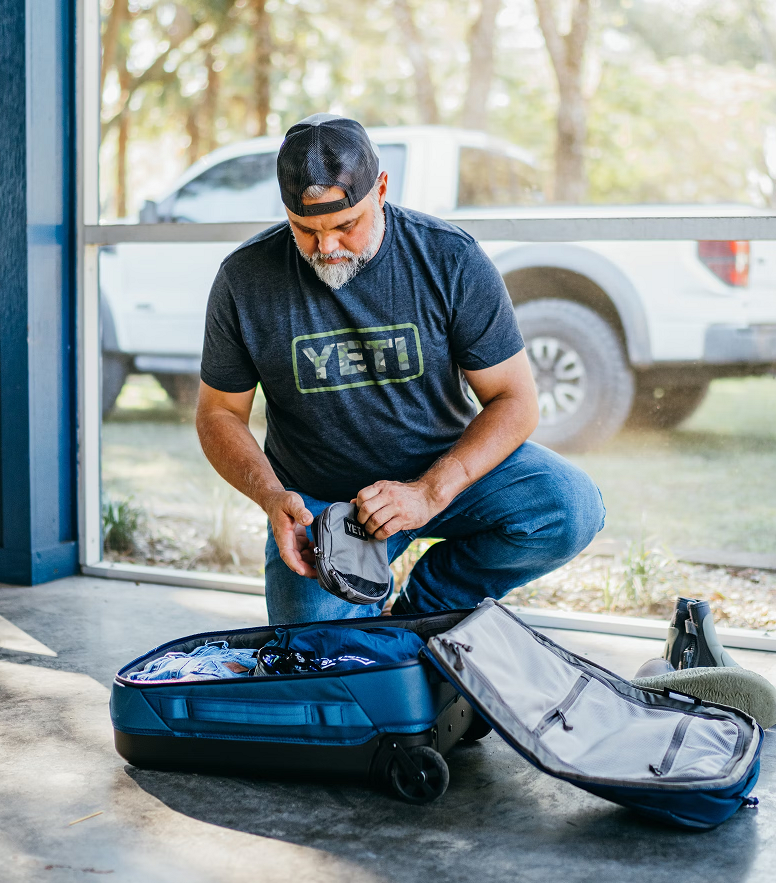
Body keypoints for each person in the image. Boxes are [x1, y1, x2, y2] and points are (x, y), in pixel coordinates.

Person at [196, 113, 605, 625]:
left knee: (570, 507)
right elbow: (219, 413)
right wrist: (271, 495)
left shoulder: (450, 259)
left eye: (346, 225)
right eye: (306, 230)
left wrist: (431, 491)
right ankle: (370, 610)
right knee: (316, 653)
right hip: (325, 507)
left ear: (382, 189)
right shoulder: (244, 278)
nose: (326, 248)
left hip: (445, 473)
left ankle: (425, 607)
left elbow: (516, 401)